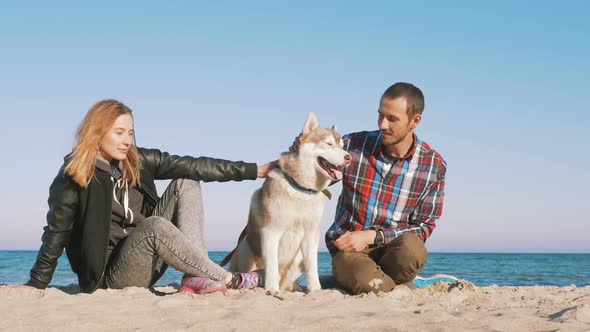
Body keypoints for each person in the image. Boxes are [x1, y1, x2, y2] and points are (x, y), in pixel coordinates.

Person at [25, 99, 276, 294]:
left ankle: (195, 276)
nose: (126, 141)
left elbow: (194, 165)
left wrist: (255, 170)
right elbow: (56, 231)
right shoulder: (75, 174)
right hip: (111, 277)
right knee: (153, 225)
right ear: (97, 132)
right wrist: (37, 282)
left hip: (149, 259)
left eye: (130, 133)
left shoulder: (137, 161)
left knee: (186, 181)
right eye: (119, 132)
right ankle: (231, 280)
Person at [293, 82, 446, 294]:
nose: (383, 124)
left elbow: (424, 227)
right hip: (348, 250)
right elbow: (310, 170)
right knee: (366, 280)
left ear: (415, 121)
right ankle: (395, 286)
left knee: (413, 249)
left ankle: (372, 282)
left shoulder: (433, 166)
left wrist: (373, 236)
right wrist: (304, 143)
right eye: (380, 115)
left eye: (392, 119)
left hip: (393, 250)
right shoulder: (353, 145)